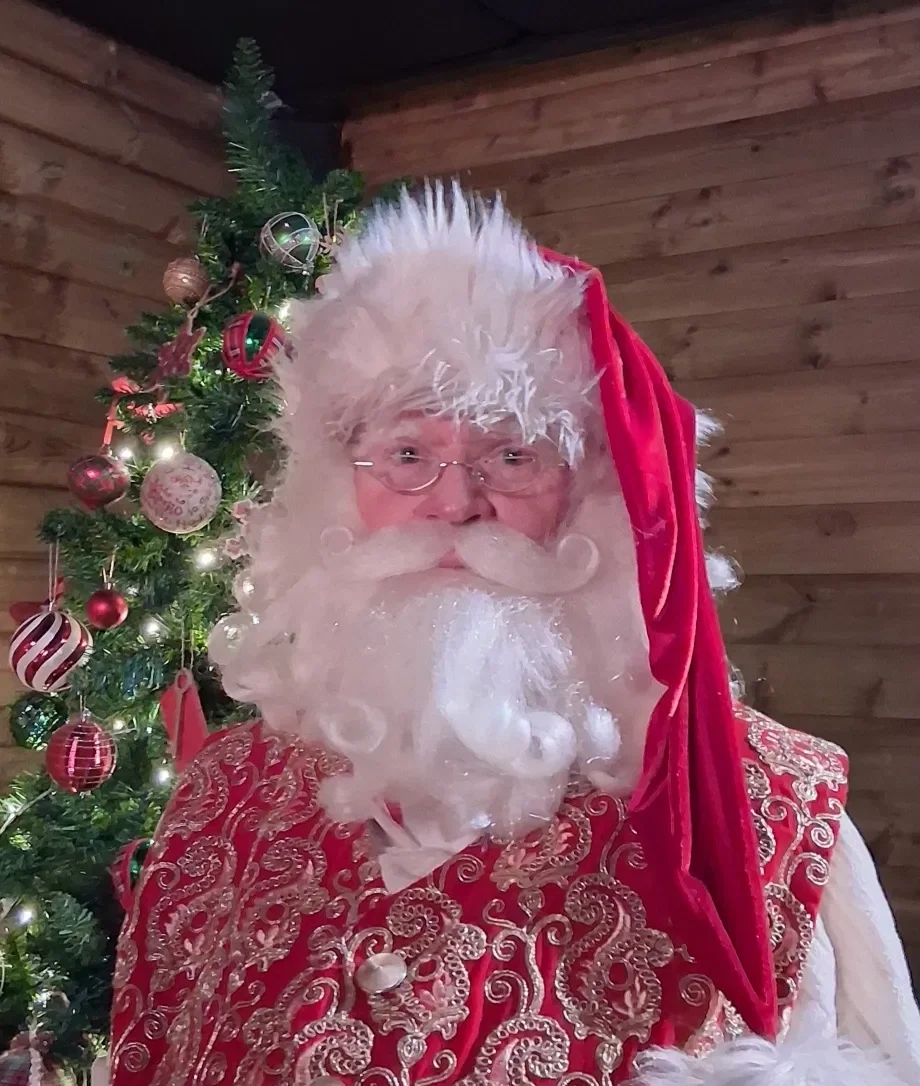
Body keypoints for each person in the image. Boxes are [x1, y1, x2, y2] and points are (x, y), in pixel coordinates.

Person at [109, 185, 920, 1086]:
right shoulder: (215, 803)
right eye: (408, 455)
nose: (456, 505)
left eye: (514, 456)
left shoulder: (771, 816)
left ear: (593, 495)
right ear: (338, 489)